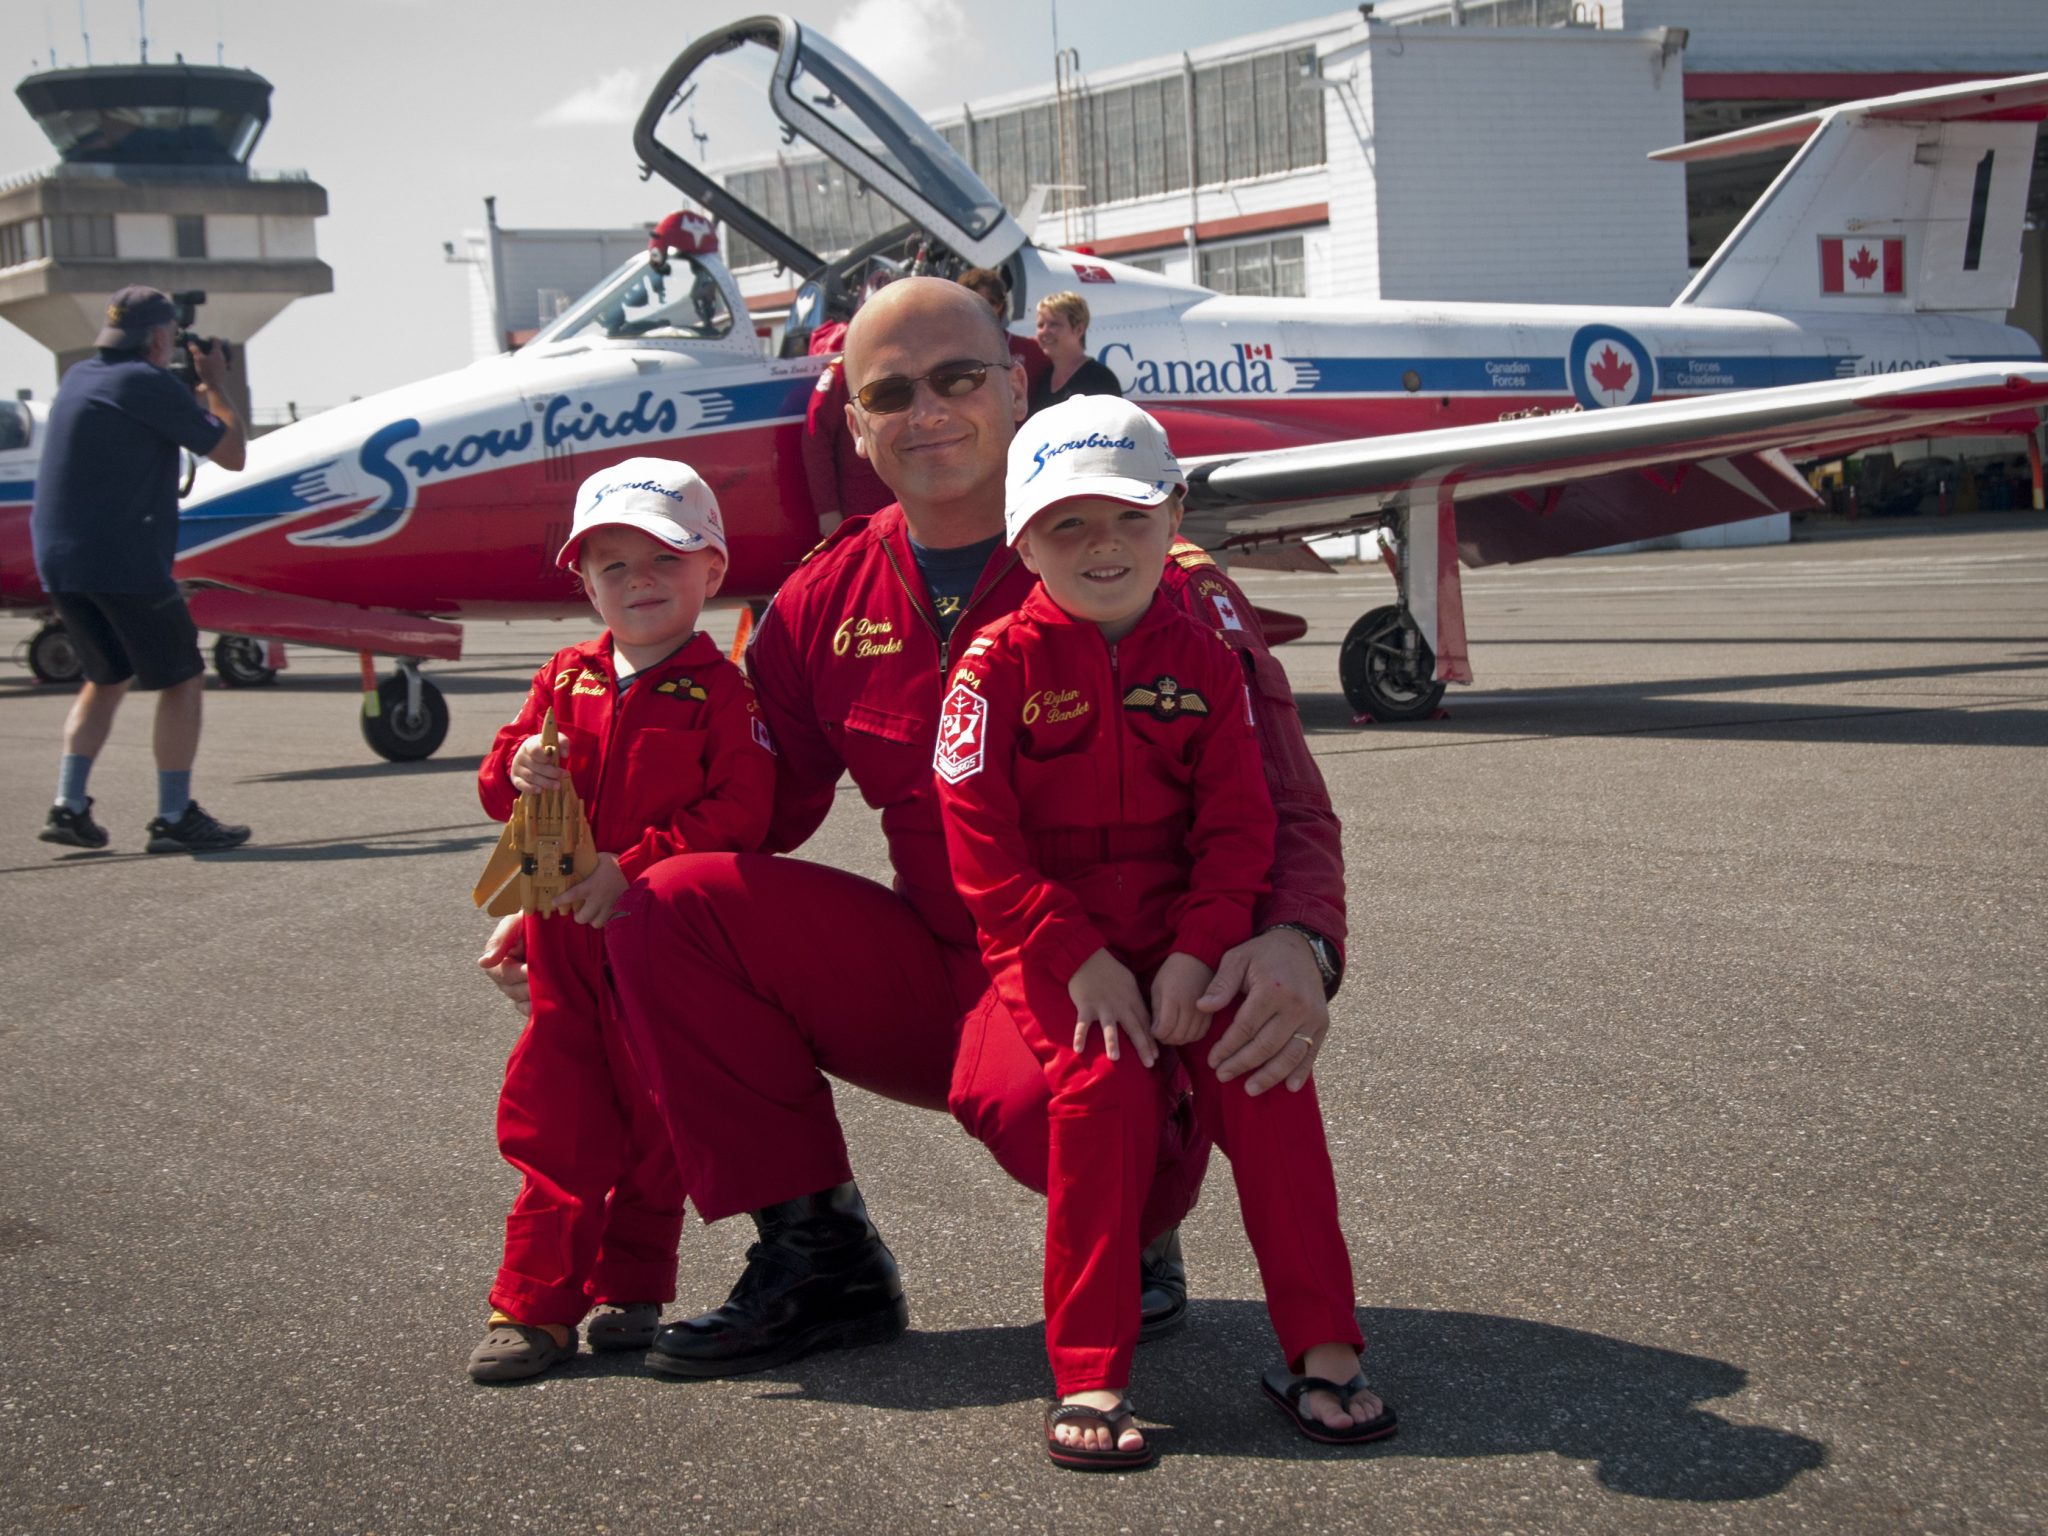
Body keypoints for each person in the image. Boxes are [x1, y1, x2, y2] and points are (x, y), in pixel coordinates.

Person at [480, 277, 1345, 1383]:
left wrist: (1299, 939)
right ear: (855, 425)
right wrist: (556, 892)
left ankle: (1136, 1216)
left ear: (1016, 383)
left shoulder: (1142, 570)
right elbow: (740, 814)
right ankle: (817, 1257)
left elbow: (1285, 797)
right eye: (889, 392)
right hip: (949, 967)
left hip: (1121, 976)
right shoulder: (814, 602)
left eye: (955, 378)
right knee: (669, 910)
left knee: (1068, 1107)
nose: (925, 410)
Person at [936, 397, 1393, 1469]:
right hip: (1060, 948)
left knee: (1265, 1077)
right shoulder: (990, 668)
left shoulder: (1207, 657)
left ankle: (1323, 1350)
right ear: (1020, 540)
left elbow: (1242, 824)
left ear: (1174, 515)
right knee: (1097, 1093)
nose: (1103, 549)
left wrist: (1199, 951)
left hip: (1192, 935)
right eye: (1066, 526)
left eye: (1129, 519)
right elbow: (979, 844)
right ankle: (1089, 1367)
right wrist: (1074, 956)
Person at [467, 457, 779, 1383]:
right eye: (614, 566)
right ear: (585, 580)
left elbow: (740, 815)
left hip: (660, 949)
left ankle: (633, 1290)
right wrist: (518, 767)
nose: (640, 582)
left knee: (655, 1129)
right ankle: (532, 1306)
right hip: (566, 947)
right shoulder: (562, 680)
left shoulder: (726, 696)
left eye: (666, 560)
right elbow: (501, 796)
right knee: (555, 1123)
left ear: (713, 572)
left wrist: (630, 872)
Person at [31, 285, 249, 852]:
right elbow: (232, 452)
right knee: (182, 679)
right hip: (123, 563)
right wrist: (215, 383)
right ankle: (174, 815)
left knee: (106, 676)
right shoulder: (145, 383)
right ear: (159, 338)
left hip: (61, 563)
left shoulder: (79, 376)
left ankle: (68, 804)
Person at [800, 323, 894, 533]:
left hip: (909, 505)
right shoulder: (843, 371)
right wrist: (827, 511)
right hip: (863, 512)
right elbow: (816, 442)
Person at [957, 266, 1050, 399]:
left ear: (998, 305)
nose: (970, 310)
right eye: (964, 304)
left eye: (978, 303)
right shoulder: (949, 352)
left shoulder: (1031, 351)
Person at [1028, 290, 1123, 415]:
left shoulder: (1100, 380)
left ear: (1079, 329)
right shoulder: (1043, 377)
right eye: (1040, 325)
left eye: (1054, 324)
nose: (1044, 331)